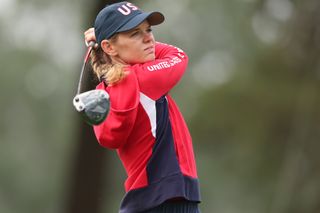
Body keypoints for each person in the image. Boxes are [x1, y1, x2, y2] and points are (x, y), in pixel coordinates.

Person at [84, 1, 201, 213]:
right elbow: (178, 55)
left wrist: (108, 44)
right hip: (169, 199)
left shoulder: (107, 91)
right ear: (109, 47)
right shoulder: (144, 80)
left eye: (149, 30)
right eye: (135, 33)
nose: (149, 38)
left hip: (146, 201)